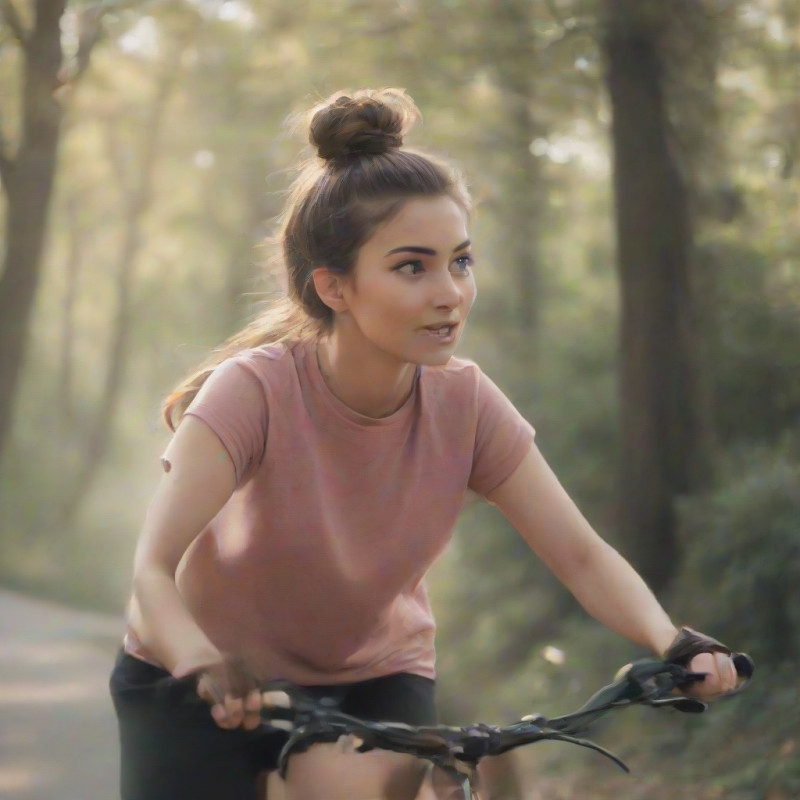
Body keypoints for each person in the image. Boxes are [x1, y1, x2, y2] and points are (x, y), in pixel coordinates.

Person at [109, 87, 741, 800]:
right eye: (413, 266)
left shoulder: (466, 403)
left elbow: (582, 554)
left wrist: (672, 642)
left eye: (461, 262)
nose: (450, 293)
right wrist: (201, 663)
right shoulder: (252, 391)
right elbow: (151, 574)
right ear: (334, 286)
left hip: (370, 676)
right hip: (200, 675)